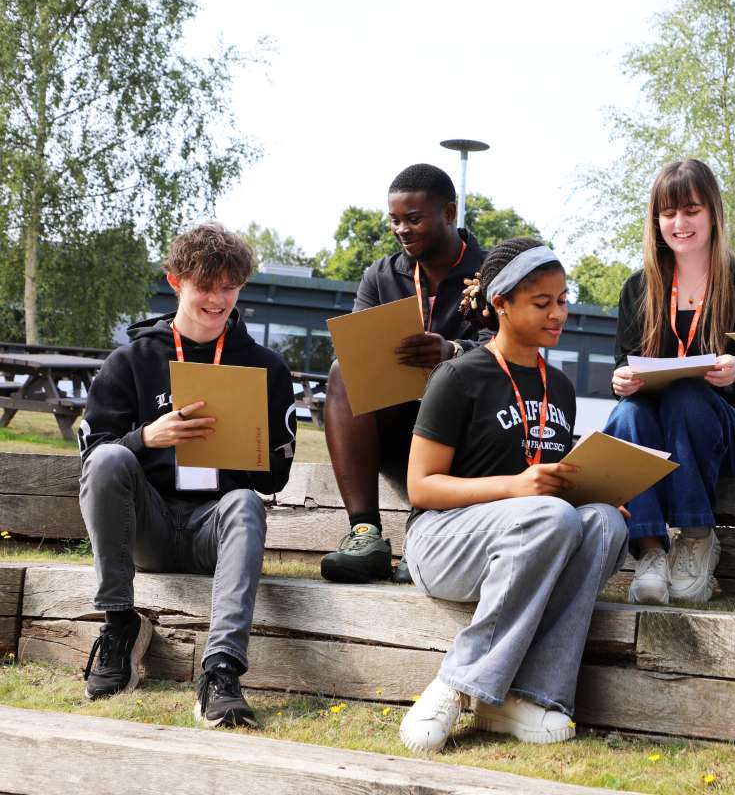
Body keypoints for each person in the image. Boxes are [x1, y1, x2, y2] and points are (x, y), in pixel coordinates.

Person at [398, 238, 628, 754]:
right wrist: (517, 487)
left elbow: (552, 482)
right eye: (542, 303)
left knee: (604, 522)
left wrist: (598, 490)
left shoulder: (560, 387)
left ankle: (526, 695)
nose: (558, 313)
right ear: (500, 303)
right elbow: (421, 486)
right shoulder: (458, 376)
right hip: (442, 541)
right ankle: (456, 682)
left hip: (531, 534)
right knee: (549, 516)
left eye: (562, 300)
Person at [78, 222, 298, 728]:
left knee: (245, 500)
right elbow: (92, 461)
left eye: (230, 287)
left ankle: (221, 670)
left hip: (212, 529)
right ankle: (119, 625)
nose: (218, 300)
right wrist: (146, 438)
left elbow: (275, 479)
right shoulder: (130, 361)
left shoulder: (265, 367)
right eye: (205, 286)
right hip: (147, 527)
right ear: (175, 281)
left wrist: (245, 444)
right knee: (111, 459)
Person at [605, 159, 735, 605]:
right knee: (627, 412)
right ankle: (650, 550)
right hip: (657, 430)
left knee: (687, 394)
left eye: (691, 210)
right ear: (656, 221)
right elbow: (623, 363)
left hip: (727, 436)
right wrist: (621, 380)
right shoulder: (638, 288)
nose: (680, 223)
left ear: (713, 213)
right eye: (669, 213)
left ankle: (698, 536)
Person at [320, 164, 486, 584]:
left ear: (449, 213)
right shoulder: (379, 276)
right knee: (344, 370)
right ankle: (365, 534)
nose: (402, 230)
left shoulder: (491, 272)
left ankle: (428, 540)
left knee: (456, 384)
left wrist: (453, 351)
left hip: (465, 430)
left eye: (413, 219)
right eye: (394, 220)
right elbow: (357, 353)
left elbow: (510, 348)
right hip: (396, 425)